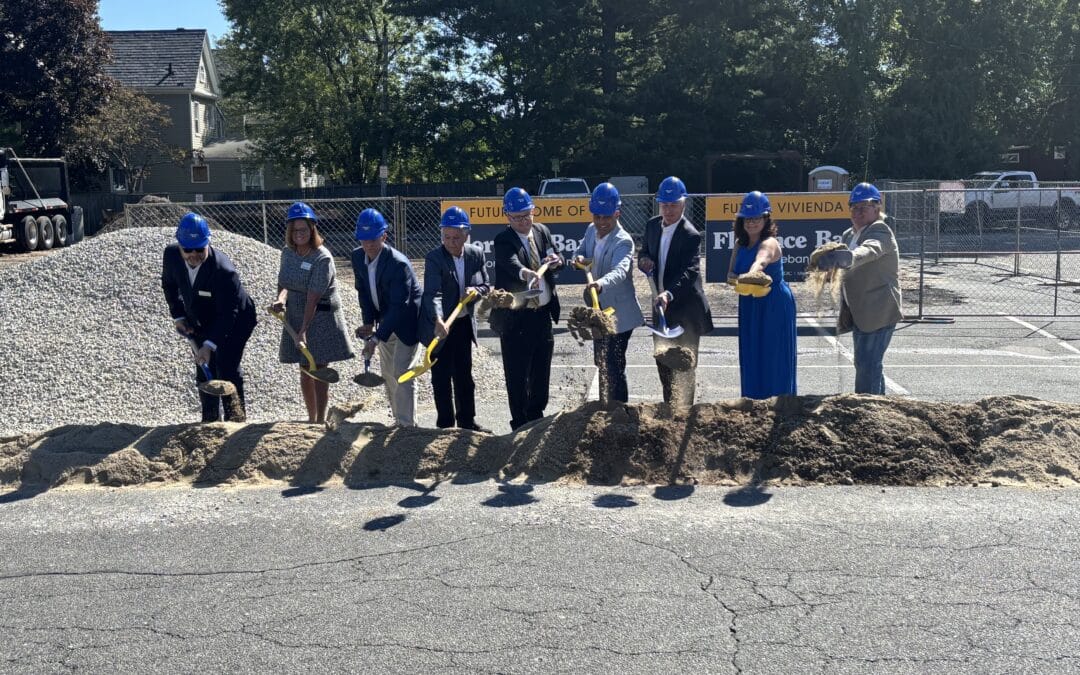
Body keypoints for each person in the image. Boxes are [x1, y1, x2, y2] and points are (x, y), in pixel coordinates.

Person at [162, 212, 257, 422]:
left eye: (199, 249)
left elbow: (227, 315)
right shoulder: (171, 256)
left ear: (208, 243)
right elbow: (169, 286)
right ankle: (210, 420)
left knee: (226, 365)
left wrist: (209, 344)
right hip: (201, 316)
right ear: (180, 246)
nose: (193, 254)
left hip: (236, 319)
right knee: (204, 366)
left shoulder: (224, 271)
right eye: (188, 249)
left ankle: (235, 421)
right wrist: (178, 316)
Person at [271, 202, 354, 423]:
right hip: (296, 313)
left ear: (312, 230)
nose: (299, 234)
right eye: (295, 230)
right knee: (305, 368)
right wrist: (280, 300)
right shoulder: (288, 253)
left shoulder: (322, 257)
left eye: (303, 230)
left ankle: (319, 420)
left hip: (321, 316)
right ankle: (311, 418)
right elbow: (285, 282)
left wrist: (304, 330)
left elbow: (313, 297)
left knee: (318, 368)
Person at [815, 182, 903, 395]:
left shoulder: (880, 230)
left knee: (867, 366)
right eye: (854, 207)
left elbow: (870, 250)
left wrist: (848, 257)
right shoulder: (848, 234)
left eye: (864, 206)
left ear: (877, 207)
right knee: (868, 365)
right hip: (860, 311)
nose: (858, 211)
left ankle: (866, 410)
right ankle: (879, 407)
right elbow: (844, 266)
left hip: (878, 310)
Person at [637, 176, 714, 407]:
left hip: (685, 310)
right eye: (664, 204)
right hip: (661, 308)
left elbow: (690, 272)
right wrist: (644, 260)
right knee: (663, 362)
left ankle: (684, 414)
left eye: (673, 204)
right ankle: (670, 410)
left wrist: (668, 294)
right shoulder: (652, 225)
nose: (668, 209)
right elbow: (644, 252)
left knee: (684, 366)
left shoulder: (690, 234)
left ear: (683, 204)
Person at [491, 187, 564, 430]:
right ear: (507, 217)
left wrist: (557, 261)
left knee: (541, 372)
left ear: (533, 211)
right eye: (516, 217)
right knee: (517, 374)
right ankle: (519, 424)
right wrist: (526, 272)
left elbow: (556, 258)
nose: (523, 221)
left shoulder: (542, 231)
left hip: (542, 315)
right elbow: (509, 262)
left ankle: (537, 419)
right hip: (516, 317)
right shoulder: (503, 239)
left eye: (526, 215)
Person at [420, 206, 491, 432]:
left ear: (466, 234)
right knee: (441, 378)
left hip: (462, 325)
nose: (451, 242)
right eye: (447, 237)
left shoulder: (475, 254)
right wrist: (439, 319)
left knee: (464, 376)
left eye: (456, 237)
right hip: (439, 326)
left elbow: (486, 284)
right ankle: (445, 425)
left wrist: (476, 291)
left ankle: (467, 422)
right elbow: (433, 293)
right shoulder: (434, 258)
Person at [571, 183, 643, 404]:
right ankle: (605, 405)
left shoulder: (623, 241)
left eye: (607, 218)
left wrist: (600, 283)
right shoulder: (591, 230)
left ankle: (618, 413)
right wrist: (579, 260)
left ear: (617, 213)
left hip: (619, 314)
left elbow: (620, 271)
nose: (601, 223)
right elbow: (581, 252)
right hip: (598, 311)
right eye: (597, 217)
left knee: (613, 364)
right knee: (601, 362)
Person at [352, 208, 422, 426]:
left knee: (402, 371)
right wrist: (368, 323)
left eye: (373, 239)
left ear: (384, 236)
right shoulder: (357, 257)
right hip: (385, 320)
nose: (369, 244)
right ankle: (398, 420)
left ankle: (407, 426)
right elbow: (363, 292)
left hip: (407, 322)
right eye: (364, 240)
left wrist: (376, 338)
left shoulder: (397, 264)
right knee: (388, 373)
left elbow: (399, 306)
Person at [726, 191, 797, 399]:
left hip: (773, 304)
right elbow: (730, 272)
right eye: (747, 218)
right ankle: (753, 402)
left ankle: (780, 404)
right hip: (749, 302)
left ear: (766, 219)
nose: (751, 222)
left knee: (774, 355)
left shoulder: (770, 242)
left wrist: (753, 272)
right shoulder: (740, 244)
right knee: (752, 353)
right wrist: (737, 280)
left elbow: (762, 259)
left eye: (756, 218)